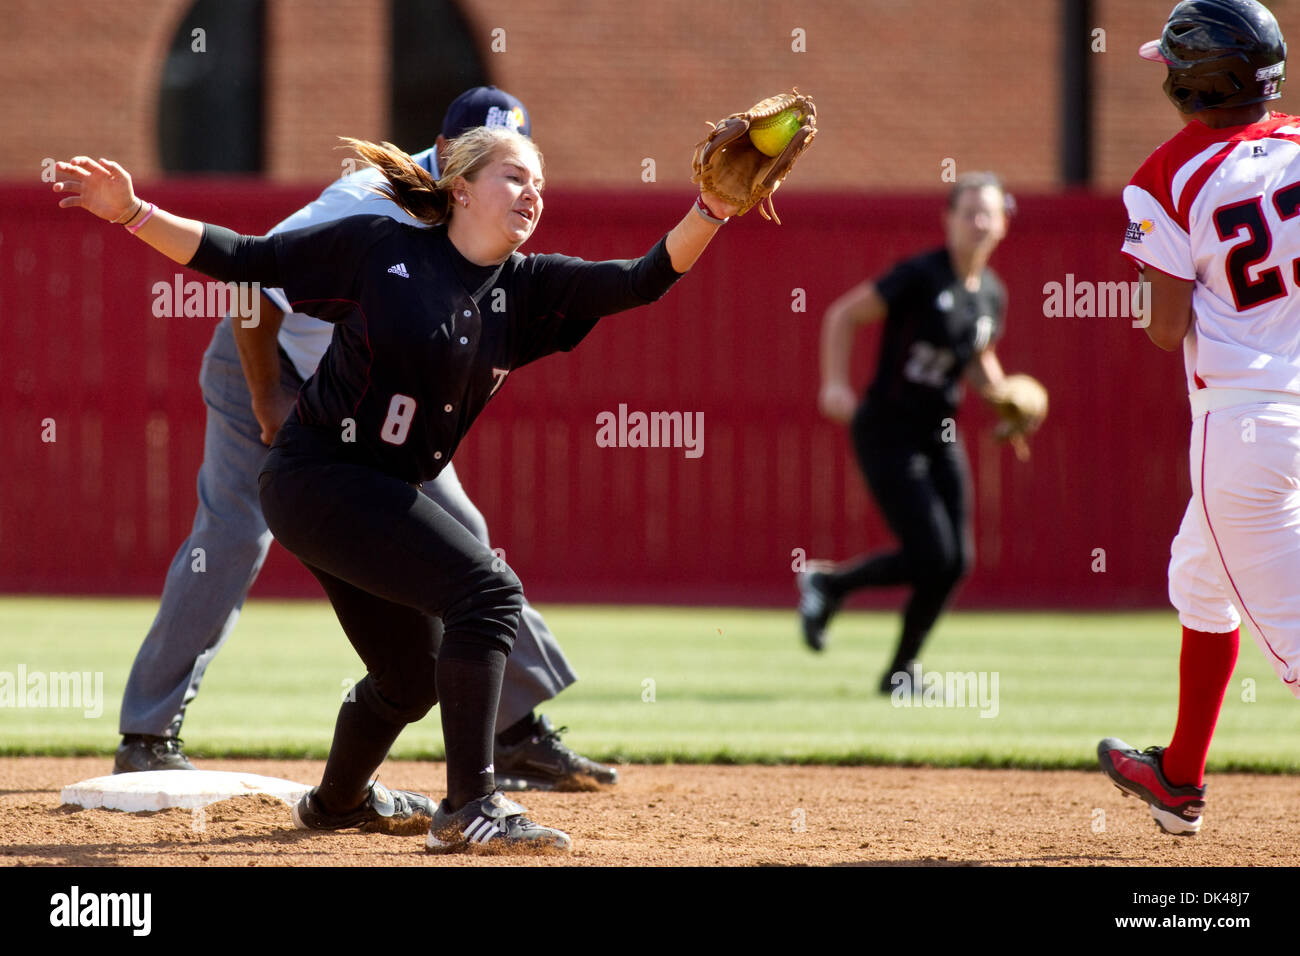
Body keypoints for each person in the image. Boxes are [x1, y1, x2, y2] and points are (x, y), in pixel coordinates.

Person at [54, 124, 740, 850]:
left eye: (538, 181)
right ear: (460, 188)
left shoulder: (529, 289)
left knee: (410, 675)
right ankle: (472, 804)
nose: (531, 192)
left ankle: (337, 803)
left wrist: (713, 209)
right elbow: (249, 262)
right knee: (489, 592)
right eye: (513, 176)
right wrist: (131, 212)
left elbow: (644, 279)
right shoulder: (380, 250)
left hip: (375, 492)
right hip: (316, 477)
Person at [113, 86, 616, 795]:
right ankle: (147, 731)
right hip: (268, 366)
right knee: (229, 538)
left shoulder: (489, 213)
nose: (496, 167)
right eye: (475, 148)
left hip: (368, 401)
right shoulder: (370, 201)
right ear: (444, 153)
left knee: (464, 534)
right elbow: (254, 283)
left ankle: (517, 728)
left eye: (509, 157)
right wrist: (266, 397)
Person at [1099, 0, 1300, 836]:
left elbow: (1165, 327)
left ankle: (1180, 780)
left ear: (1193, 83)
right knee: (1199, 579)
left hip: (1244, 422)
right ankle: (1177, 779)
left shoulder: (1166, 174)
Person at [798, 172, 1021, 694]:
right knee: (931, 552)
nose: (979, 222)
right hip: (887, 428)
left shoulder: (991, 294)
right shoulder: (922, 275)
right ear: (948, 220)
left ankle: (896, 669)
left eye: (988, 212)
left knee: (955, 561)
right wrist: (834, 384)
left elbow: (978, 359)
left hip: (940, 433)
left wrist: (1007, 402)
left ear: (1004, 224)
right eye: (968, 212)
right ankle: (829, 586)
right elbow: (843, 315)